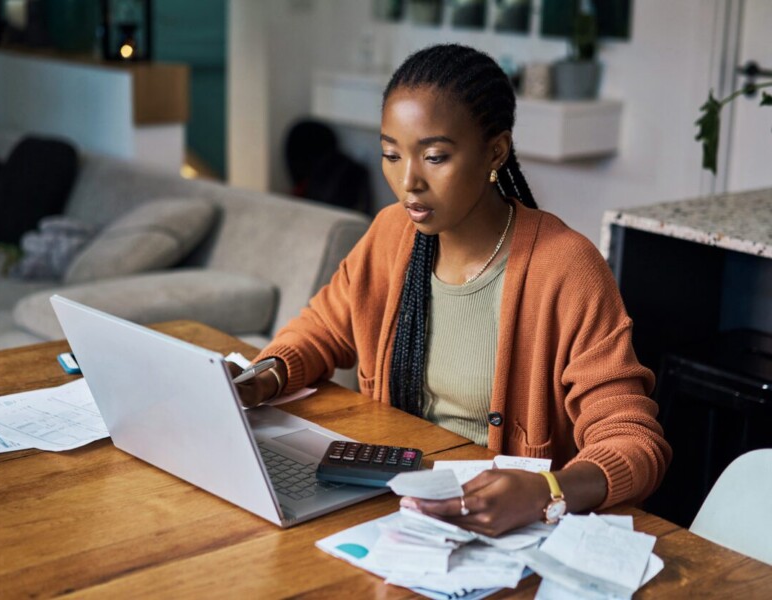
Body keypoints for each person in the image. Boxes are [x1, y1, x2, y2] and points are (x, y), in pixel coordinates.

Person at [236, 44, 671, 537]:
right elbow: (321, 329)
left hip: (505, 528)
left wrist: (550, 490)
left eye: (435, 156)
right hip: (393, 506)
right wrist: (262, 377)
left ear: (495, 151)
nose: (408, 183)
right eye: (391, 155)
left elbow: (634, 441)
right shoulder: (391, 233)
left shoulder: (566, 267)